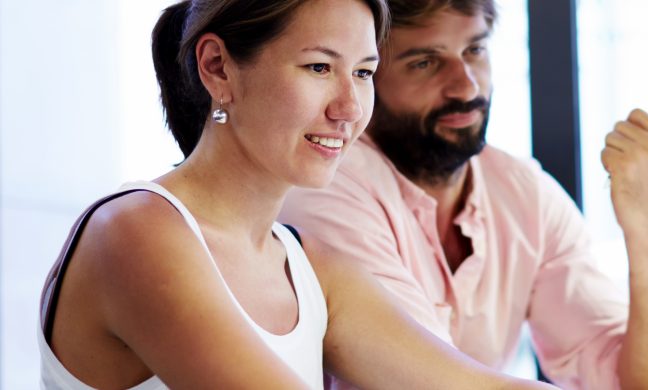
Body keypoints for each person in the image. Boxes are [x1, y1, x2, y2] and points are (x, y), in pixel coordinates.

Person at [38, 0, 555, 388]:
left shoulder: (311, 268)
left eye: (364, 72)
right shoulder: (135, 233)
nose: (350, 108)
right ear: (217, 66)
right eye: (319, 67)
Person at [279, 1, 648, 388]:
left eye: (475, 50)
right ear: (367, 75)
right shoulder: (328, 186)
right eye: (425, 62)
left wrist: (647, 221)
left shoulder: (524, 194)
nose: (464, 86)